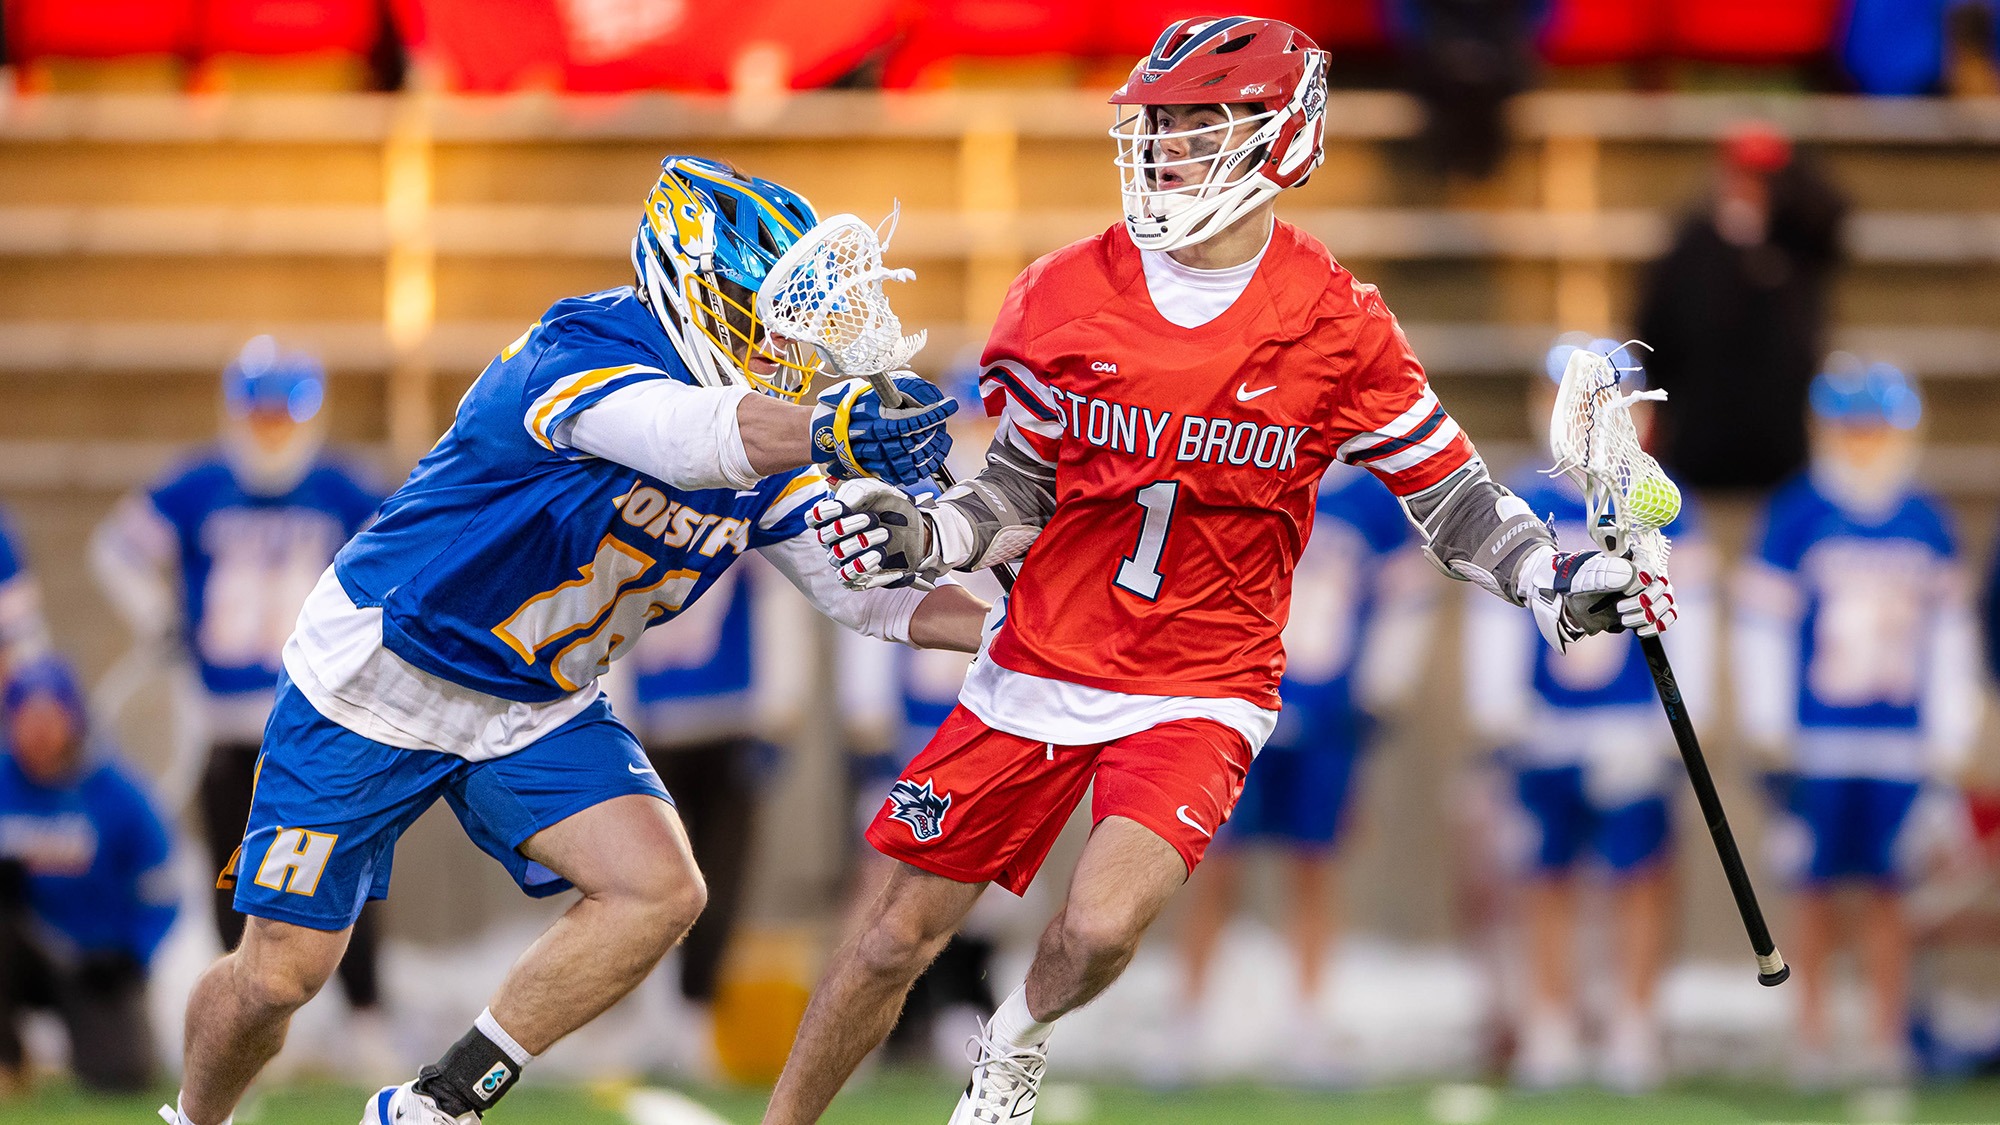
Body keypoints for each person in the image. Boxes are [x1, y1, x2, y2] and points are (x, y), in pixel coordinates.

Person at [768, 18, 1679, 1124]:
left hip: (1204, 681)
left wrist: (1552, 580)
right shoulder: (1059, 295)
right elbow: (1014, 491)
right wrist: (928, 541)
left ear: (1277, 138)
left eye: (1194, 127)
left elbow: (1452, 499)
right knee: (885, 942)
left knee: (1098, 925)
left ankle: (1010, 1046)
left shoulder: (1336, 325)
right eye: (1155, 127)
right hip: (1040, 658)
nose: (1162, 152)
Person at [159, 155, 988, 1125]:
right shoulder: (583, 346)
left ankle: (436, 1106)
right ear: (700, 293)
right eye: (771, 314)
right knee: (279, 978)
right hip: (382, 672)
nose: (792, 342)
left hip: (533, 700)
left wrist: (1022, 631)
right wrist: (828, 429)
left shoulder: (771, 428)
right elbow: (688, 437)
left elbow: (867, 596)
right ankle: (190, 1120)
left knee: (657, 891)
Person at [92, 336, 391, 1069]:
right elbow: (115, 550)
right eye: (258, 413)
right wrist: (157, 617)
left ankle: (365, 1017)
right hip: (223, 721)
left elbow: (403, 564)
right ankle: (257, 1025)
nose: (269, 431)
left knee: (346, 866)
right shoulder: (198, 484)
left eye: (282, 414)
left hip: (320, 715)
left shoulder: (344, 487)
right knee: (239, 874)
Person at [1465, 337, 1715, 1094]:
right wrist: (1497, 705)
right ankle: (1551, 1017)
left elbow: (1689, 619)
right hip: (1546, 720)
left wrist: (1680, 722)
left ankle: (1633, 1017)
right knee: (1547, 875)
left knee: (1639, 874)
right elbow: (1495, 610)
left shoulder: (1663, 500)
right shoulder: (1520, 493)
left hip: (1629, 722)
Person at [1736, 359, 1982, 1089]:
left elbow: (1950, 639)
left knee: (1889, 892)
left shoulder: (1926, 520)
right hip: (1818, 737)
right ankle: (1810, 1033)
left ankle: (1883, 1034)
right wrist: (1767, 721)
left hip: (1898, 739)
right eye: (1854, 429)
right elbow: (1763, 629)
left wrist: (1950, 730)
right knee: (1813, 891)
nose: (1867, 444)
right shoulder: (1796, 513)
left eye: (1878, 430)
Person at [1169, 461, 1432, 1084]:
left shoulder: (1372, 499)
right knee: (1211, 865)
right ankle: (1190, 1016)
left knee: (1314, 865)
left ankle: (1308, 1018)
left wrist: (1382, 690)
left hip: (1327, 711)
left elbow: (1404, 600)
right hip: (1236, 703)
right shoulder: (1247, 466)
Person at [1635, 122, 1848, 492]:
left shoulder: (1797, 240)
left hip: (1781, 449)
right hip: (1699, 447)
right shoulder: (1691, 247)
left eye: (1764, 177)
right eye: (1743, 174)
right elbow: (1657, 333)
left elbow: (1835, 219)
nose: (1750, 187)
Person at [0, 656, 177, 1094]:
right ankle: (6, 1060)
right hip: (21, 948)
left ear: (73, 718)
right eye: (27, 718)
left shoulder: (118, 795)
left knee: (123, 1078)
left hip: (94, 960)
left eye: (48, 717)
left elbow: (162, 891)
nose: (37, 732)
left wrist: (134, 954)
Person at [622, 555, 769, 1074]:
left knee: (719, 880)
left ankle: (693, 1016)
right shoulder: (638, 506)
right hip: (654, 722)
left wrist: (775, 712)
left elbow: (780, 602)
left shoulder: (745, 505)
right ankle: (653, 1012)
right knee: (646, 880)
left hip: (730, 715)